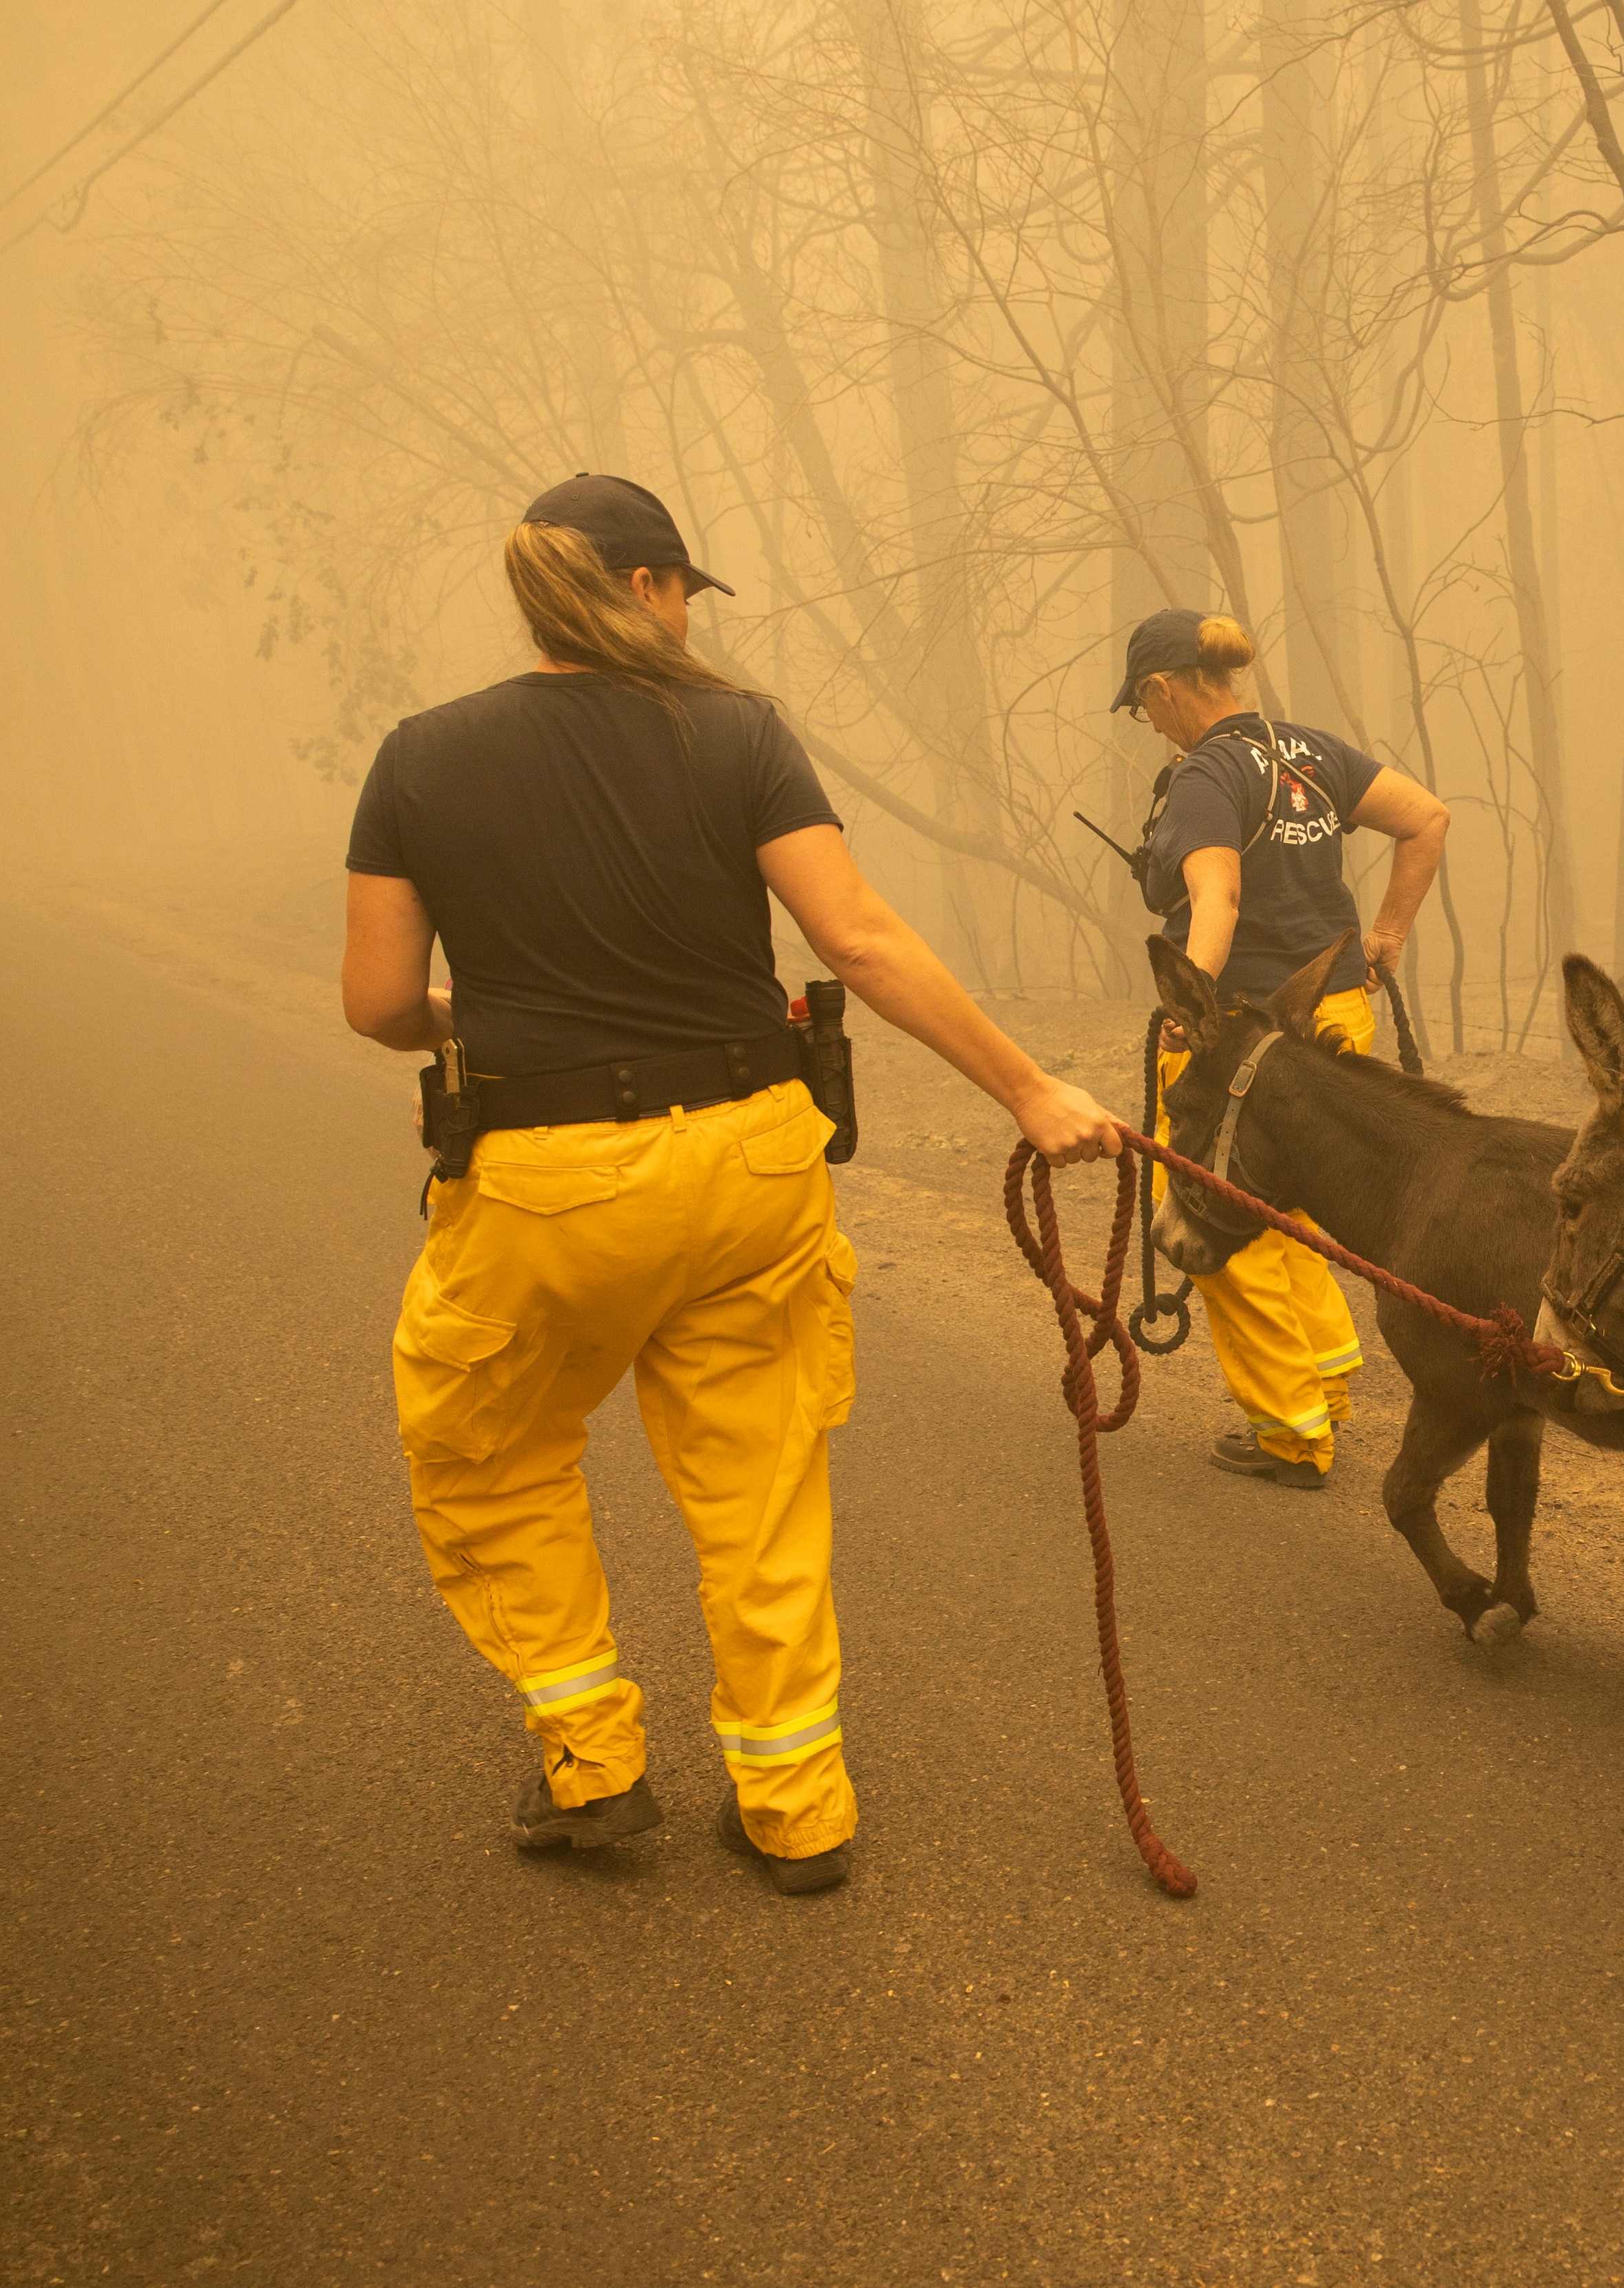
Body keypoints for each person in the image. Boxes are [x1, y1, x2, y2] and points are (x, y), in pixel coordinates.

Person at [340, 472, 1120, 1896]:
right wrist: (1029, 1086)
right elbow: (862, 941)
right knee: (758, 1480)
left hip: (547, 1180)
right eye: (687, 588)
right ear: (644, 587)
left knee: (489, 1453)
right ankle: (794, 1805)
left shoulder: (418, 756)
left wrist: (481, 1015)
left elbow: (380, 999)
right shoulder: (739, 731)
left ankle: (592, 1764)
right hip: (753, 1160)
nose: (692, 615)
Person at [1119, 606, 1450, 1491]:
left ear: (1164, 688)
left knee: (1203, 1211)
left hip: (1245, 1036)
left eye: (1143, 707)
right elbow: (1427, 818)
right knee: (1300, 1203)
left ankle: (1289, 1429)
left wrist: (1193, 1010)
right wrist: (1385, 936)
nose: (1148, 723)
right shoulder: (1307, 752)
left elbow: (1215, 902)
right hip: (1335, 1013)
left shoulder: (1204, 777)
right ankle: (1329, 1380)